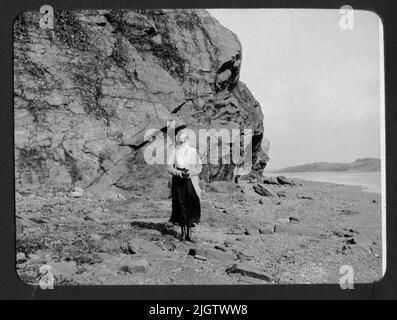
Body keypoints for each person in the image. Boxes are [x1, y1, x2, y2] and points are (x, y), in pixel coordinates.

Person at [167, 130, 202, 242]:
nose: (182, 142)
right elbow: (169, 167)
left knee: (190, 204)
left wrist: (191, 173)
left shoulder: (193, 152)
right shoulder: (174, 151)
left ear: (187, 139)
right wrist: (179, 173)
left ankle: (189, 233)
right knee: (180, 205)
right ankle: (182, 233)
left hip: (190, 181)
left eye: (184, 140)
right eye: (180, 140)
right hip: (178, 180)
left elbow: (199, 167)